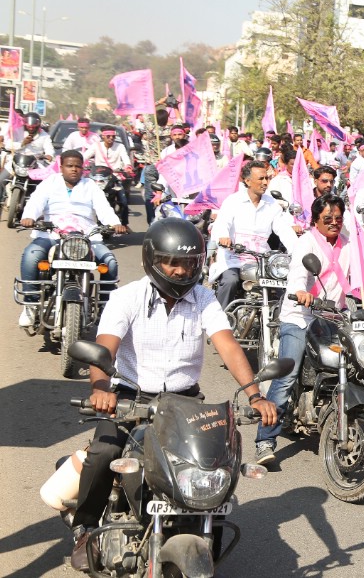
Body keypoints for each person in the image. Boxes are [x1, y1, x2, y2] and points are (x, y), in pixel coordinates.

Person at [68, 218, 276, 571]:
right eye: (172, 262)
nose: (181, 271)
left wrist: (255, 395)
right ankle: (86, 528)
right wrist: (101, 389)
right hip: (130, 399)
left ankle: (205, 527)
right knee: (105, 452)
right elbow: (105, 348)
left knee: (213, 459)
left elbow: (227, 345)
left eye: (190, 263)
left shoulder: (203, 298)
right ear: (153, 260)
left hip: (184, 401)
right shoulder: (127, 297)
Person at [254, 194, 348, 465]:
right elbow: (298, 271)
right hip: (300, 315)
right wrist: (299, 291)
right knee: (286, 377)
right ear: (315, 221)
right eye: (327, 219)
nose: (334, 223)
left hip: (333, 316)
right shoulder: (306, 241)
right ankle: (265, 440)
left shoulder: (349, 244)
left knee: (353, 363)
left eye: (338, 219)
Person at [18, 150, 128, 327]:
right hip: (52, 234)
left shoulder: (90, 186)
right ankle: (30, 305)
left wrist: (115, 223)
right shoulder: (49, 183)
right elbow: (35, 203)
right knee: (31, 255)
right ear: (61, 167)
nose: (74, 169)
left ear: (83, 168)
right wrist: (29, 217)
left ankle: (105, 307)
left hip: (86, 237)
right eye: (70, 166)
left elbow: (104, 209)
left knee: (110, 262)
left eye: (78, 166)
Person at [208, 161, 300, 310]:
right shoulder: (233, 201)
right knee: (230, 282)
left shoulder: (272, 204)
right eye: (261, 179)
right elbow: (222, 223)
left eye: (267, 178)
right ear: (247, 181)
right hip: (233, 258)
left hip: (261, 260)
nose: (265, 182)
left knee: (283, 287)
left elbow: (284, 230)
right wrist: (223, 237)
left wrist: (297, 250)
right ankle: (218, 321)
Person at [0, 112, 54, 206]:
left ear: (38, 126)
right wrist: (22, 143)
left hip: (35, 163)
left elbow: (49, 149)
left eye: (33, 127)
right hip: (16, 161)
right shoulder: (17, 131)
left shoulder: (44, 135)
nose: (31, 128)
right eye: (29, 126)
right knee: (1, 180)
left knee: (46, 185)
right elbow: (9, 145)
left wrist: (49, 155)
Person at [83, 126, 133, 226]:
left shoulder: (120, 147)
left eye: (113, 136)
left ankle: (124, 224)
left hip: (115, 178)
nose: (111, 138)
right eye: (108, 136)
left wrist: (128, 167)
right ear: (103, 137)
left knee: (123, 201)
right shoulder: (96, 146)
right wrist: (80, 164)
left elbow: (126, 159)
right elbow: (84, 156)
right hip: (98, 179)